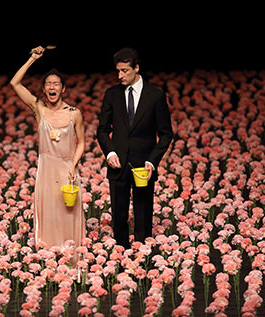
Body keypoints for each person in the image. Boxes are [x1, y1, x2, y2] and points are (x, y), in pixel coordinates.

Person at [10, 46, 86, 258]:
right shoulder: (39, 109)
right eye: (48, 84)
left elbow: (82, 143)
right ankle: (49, 261)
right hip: (46, 172)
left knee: (68, 216)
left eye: (56, 84)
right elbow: (14, 83)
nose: (52, 87)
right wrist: (32, 59)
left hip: (67, 171)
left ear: (63, 89)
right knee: (49, 216)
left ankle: (72, 261)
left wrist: (73, 165)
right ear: (44, 90)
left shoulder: (74, 114)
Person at [97, 47, 173, 249]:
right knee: (119, 219)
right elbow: (102, 129)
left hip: (143, 168)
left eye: (125, 71)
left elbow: (166, 133)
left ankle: (142, 260)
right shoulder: (112, 94)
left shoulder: (155, 95)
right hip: (118, 165)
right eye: (118, 71)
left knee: (143, 217)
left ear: (136, 68)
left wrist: (152, 161)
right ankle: (120, 261)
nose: (120, 75)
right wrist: (110, 152)